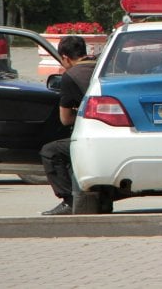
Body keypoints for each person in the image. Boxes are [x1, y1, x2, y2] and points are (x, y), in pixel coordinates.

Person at [39, 35, 97, 215]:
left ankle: (68, 201)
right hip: (114, 131)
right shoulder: (101, 67)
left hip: (90, 135)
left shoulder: (70, 76)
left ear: (65, 57)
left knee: (50, 151)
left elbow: (65, 119)